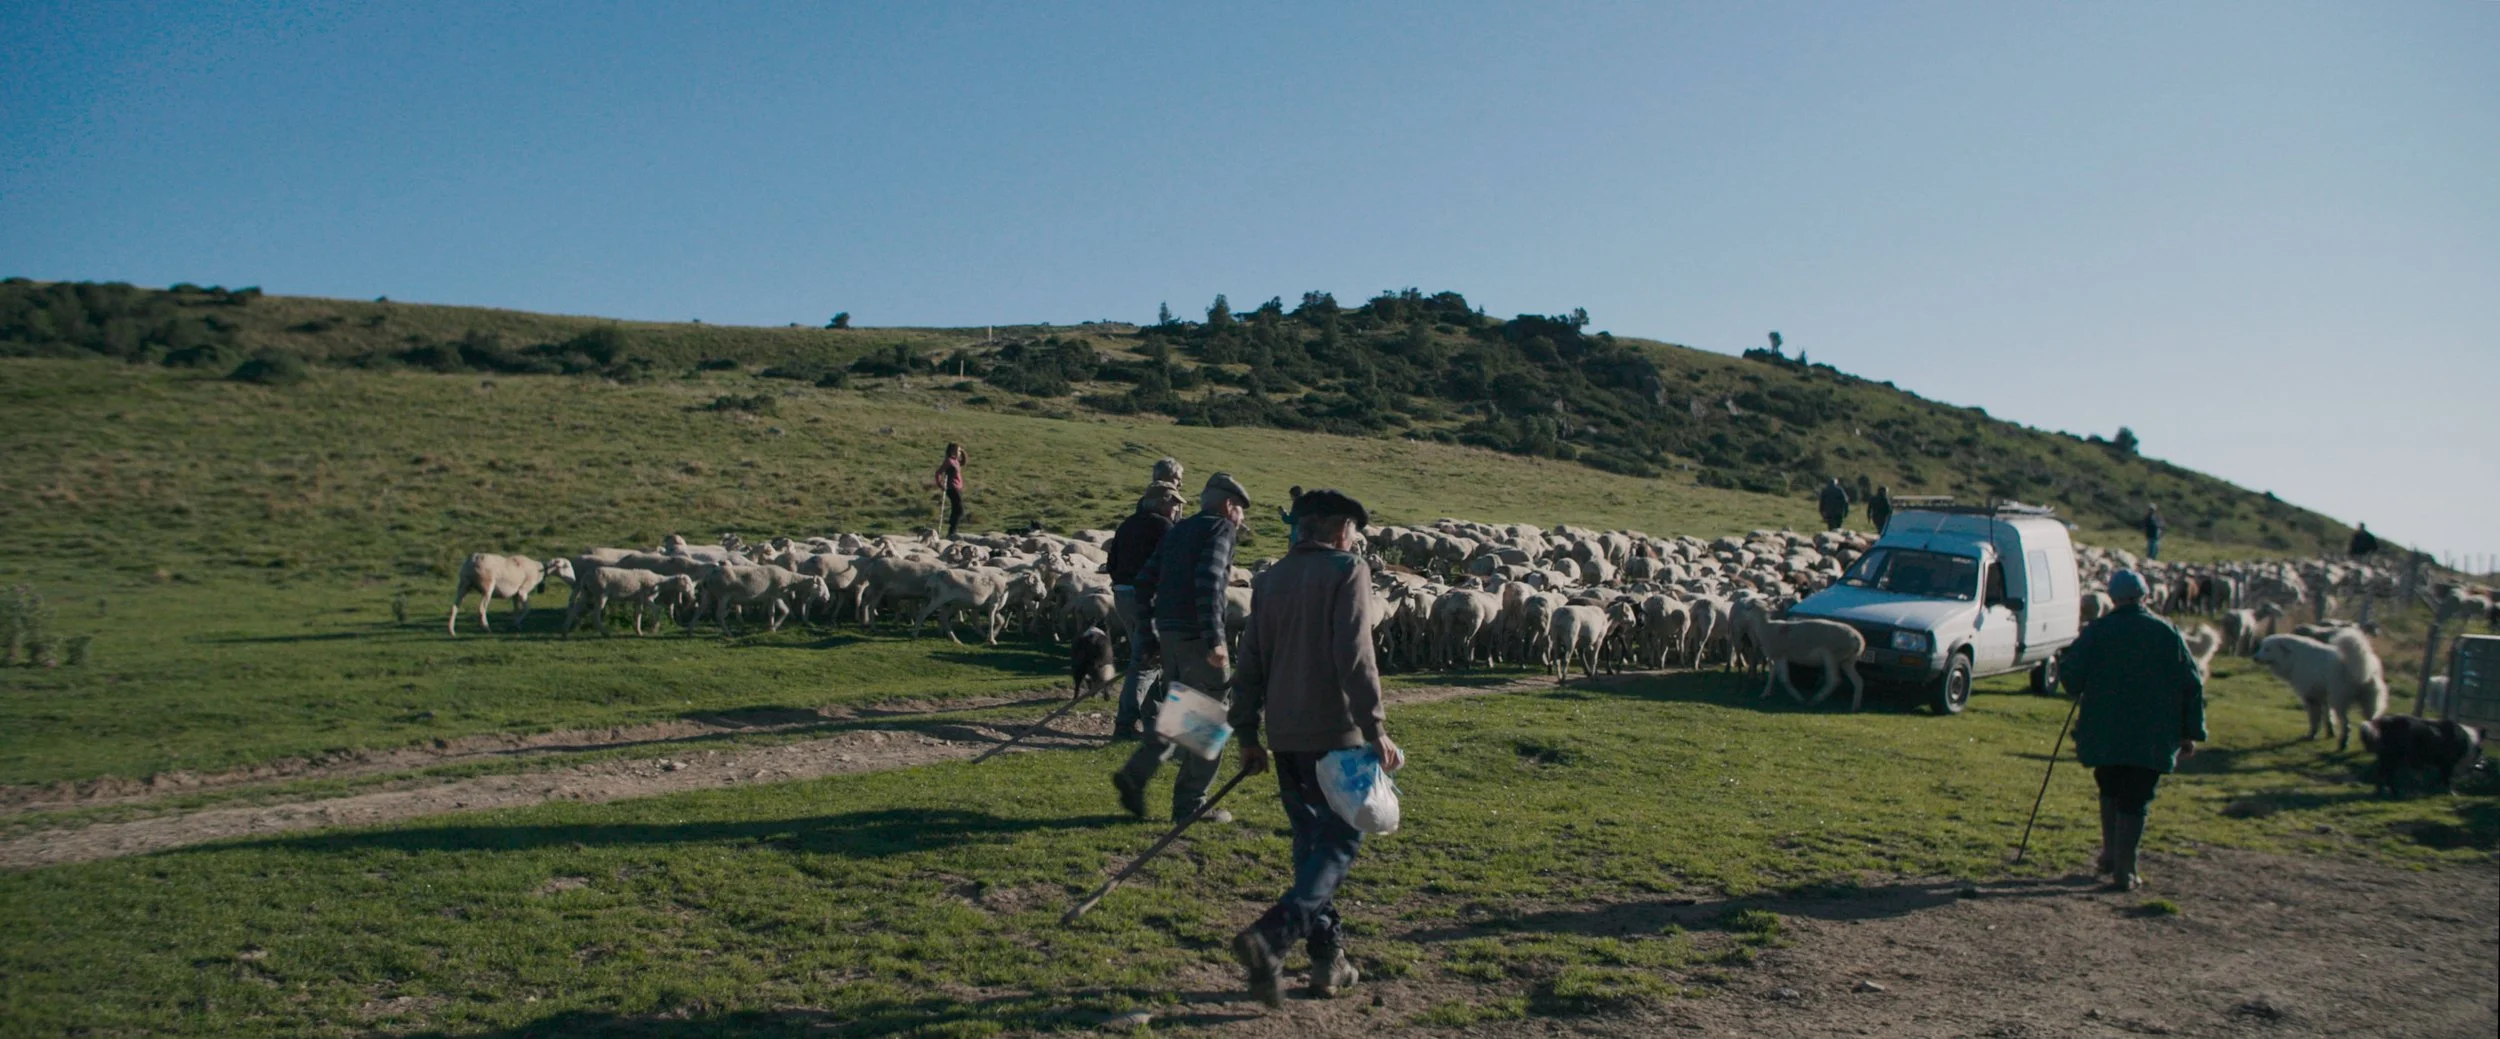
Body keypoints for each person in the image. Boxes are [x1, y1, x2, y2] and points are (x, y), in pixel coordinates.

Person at [1226, 488, 1401, 1006]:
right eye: (1351, 527)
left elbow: (1251, 660)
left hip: (1285, 736)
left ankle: (1329, 962)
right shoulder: (1347, 570)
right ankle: (1273, 936)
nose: (1354, 537)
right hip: (1336, 736)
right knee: (1341, 843)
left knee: (1310, 844)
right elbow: (1355, 653)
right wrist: (1376, 726)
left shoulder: (1270, 579)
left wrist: (1247, 734)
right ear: (1334, 529)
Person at [1113, 473, 1249, 823]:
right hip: (1198, 637)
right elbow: (1210, 581)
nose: (1242, 519)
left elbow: (1143, 582)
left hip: (1171, 636)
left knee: (1182, 712)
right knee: (1214, 717)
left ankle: (1136, 774)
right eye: (1241, 510)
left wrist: (1150, 635)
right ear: (1228, 505)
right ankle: (1190, 804)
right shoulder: (1220, 529)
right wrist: (1216, 639)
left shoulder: (1179, 530)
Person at [2061, 569, 2206, 892]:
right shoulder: (2166, 632)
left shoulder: (2098, 630)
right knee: (2137, 795)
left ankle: (2110, 854)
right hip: (2152, 732)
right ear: (2145, 596)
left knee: (2109, 784)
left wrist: (2078, 677)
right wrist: (2190, 731)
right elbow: (2191, 684)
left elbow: (2071, 678)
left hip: (2105, 727)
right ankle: (2126, 869)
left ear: (2112, 597)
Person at [1104, 483, 1186, 741]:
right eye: (1174, 503)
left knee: (1146, 658)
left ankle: (1151, 721)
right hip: (1148, 599)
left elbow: (1111, 562)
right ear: (1163, 501)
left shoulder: (1128, 524)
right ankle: (1126, 724)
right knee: (1148, 662)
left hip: (1122, 596)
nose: (1177, 509)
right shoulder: (1164, 527)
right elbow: (1173, 566)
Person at [932, 444, 967, 540]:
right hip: (952, 487)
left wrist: (963, 451)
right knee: (959, 509)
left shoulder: (956, 461)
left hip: (958, 487)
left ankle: (952, 530)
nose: (959, 453)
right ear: (952, 451)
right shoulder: (949, 461)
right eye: (957, 451)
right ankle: (952, 531)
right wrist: (940, 484)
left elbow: (963, 462)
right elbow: (938, 472)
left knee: (956, 509)